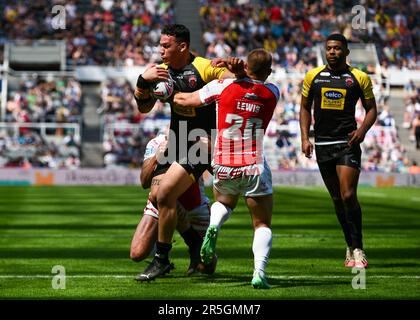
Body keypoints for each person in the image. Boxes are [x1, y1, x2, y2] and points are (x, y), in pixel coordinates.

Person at [133, 24, 233, 281]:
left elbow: (231, 82)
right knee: (159, 193)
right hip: (178, 141)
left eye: (166, 46)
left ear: (182, 46)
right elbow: (144, 108)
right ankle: (186, 249)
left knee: (168, 192)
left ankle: (165, 259)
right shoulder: (161, 72)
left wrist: (230, 67)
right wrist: (142, 82)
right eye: (160, 45)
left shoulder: (204, 67)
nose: (161, 50)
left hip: (204, 142)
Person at [173, 49, 280, 289]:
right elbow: (252, 84)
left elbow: (184, 100)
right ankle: (259, 273)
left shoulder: (222, 86)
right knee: (261, 224)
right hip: (254, 164)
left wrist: (167, 89)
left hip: (224, 162)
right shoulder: (273, 92)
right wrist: (240, 73)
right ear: (269, 72)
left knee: (225, 203)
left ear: (245, 66)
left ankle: (213, 225)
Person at [299, 34, 377, 268]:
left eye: (337, 48)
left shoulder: (359, 78)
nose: (332, 52)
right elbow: (304, 107)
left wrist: (362, 130)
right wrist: (305, 137)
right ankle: (350, 245)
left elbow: (372, 110)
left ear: (346, 52)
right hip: (322, 144)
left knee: (348, 195)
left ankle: (359, 248)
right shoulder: (313, 76)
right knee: (336, 199)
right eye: (329, 48)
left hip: (347, 143)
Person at [130, 132, 216, 278]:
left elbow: (216, 170)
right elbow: (144, 181)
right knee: (137, 253)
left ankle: (186, 242)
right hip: (160, 203)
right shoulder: (156, 143)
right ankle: (173, 246)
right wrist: (157, 157)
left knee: (206, 267)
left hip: (194, 206)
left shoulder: (197, 140)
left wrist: (208, 151)